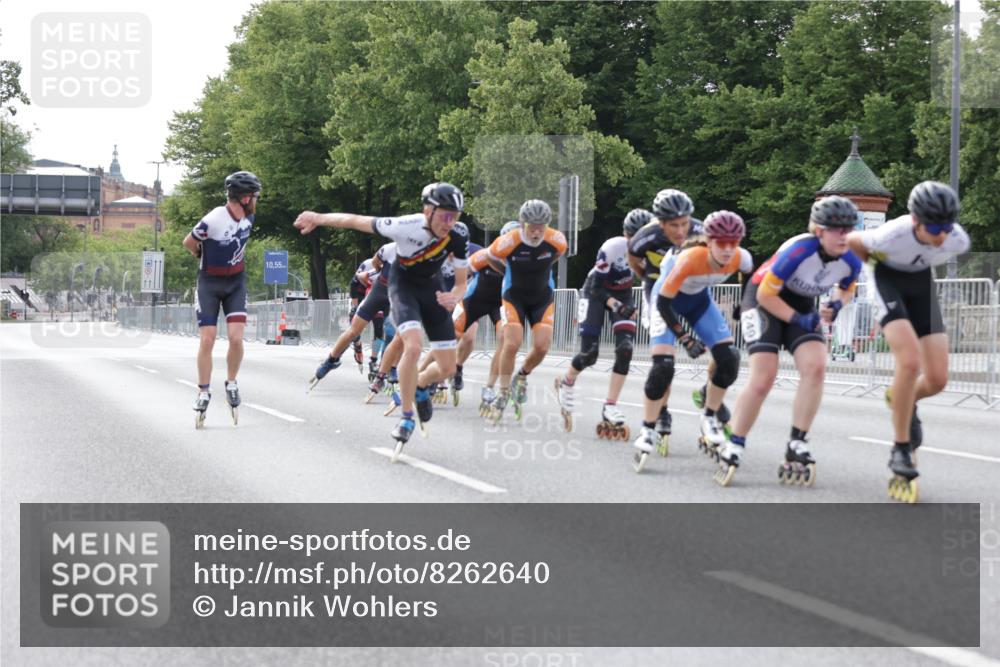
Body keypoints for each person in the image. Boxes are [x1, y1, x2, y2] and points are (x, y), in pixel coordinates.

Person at [294, 182, 469, 454]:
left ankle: (421, 385)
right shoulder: (405, 225)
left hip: (432, 291)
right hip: (402, 290)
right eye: (445, 215)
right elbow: (354, 220)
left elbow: (460, 282)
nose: (450, 222)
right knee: (411, 346)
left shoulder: (457, 237)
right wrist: (317, 218)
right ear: (428, 210)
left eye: (455, 216)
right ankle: (407, 417)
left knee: (448, 367)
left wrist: (456, 295)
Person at [727, 196, 863, 487]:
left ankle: (797, 442)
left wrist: (836, 306)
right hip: (762, 300)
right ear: (819, 231)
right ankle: (735, 440)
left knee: (816, 367)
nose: (844, 235)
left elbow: (846, 289)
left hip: (800, 303)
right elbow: (765, 296)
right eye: (836, 230)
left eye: (849, 229)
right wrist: (798, 320)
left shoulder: (852, 257)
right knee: (764, 377)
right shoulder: (800, 250)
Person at [847, 181, 970, 502]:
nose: (942, 234)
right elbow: (853, 240)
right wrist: (872, 265)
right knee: (909, 361)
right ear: (915, 220)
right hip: (886, 280)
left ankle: (901, 397)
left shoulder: (957, 240)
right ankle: (900, 448)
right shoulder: (891, 234)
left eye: (947, 225)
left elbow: (940, 244)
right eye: (934, 226)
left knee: (939, 379)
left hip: (920, 285)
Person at [633, 210, 753, 476]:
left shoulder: (741, 258)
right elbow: (663, 303)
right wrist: (685, 338)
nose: (727, 250)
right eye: (721, 243)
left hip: (699, 302)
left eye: (734, 243)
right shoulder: (688, 259)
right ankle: (648, 429)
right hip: (666, 302)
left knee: (729, 359)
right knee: (663, 367)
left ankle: (709, 417)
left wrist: (742, 306)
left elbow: (749, 275)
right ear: (708, 241)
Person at [554, 209, 647, 438]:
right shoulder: (612, 248)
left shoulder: (652, 251)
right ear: (625, 234)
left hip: (624, 294)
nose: (637, 244)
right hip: (595, 293)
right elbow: (596, 288)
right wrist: (619, 307)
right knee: (590, 354)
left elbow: (650, 282)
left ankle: (611, 405)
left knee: (625, 349)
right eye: (633, 238)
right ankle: (566, 382)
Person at [182, 170, 260, 428]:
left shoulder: (249, 218)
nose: (256, 199)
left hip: (236, 282)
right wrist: (199, 254)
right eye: (254, 195)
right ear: (244, 197)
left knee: (237, 337)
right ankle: (203, 391)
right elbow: (188, 242)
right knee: (208, 338)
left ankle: (232, 382)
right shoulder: (214, 218)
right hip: (210, 283)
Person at [483, 200, 567, 424]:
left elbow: (557, 254)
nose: (537, 231)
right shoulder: (508, 241)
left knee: (542, 347)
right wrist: (505, 270)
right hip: (514, 296)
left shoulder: (556, 240)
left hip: (541, 297)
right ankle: (502, 392)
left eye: (542, 225)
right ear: (522, 223)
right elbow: (490, 256)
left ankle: (521, 376)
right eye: (532, 225)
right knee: (512, 343)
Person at [308, 242, 396, 389]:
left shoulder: (424, 256)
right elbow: (357, 279)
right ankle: (331, 360)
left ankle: (386, 369)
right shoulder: (388, 250)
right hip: (375, 294)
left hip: (395, 299)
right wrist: (370, 279)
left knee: (390, 332)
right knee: (354, 331)